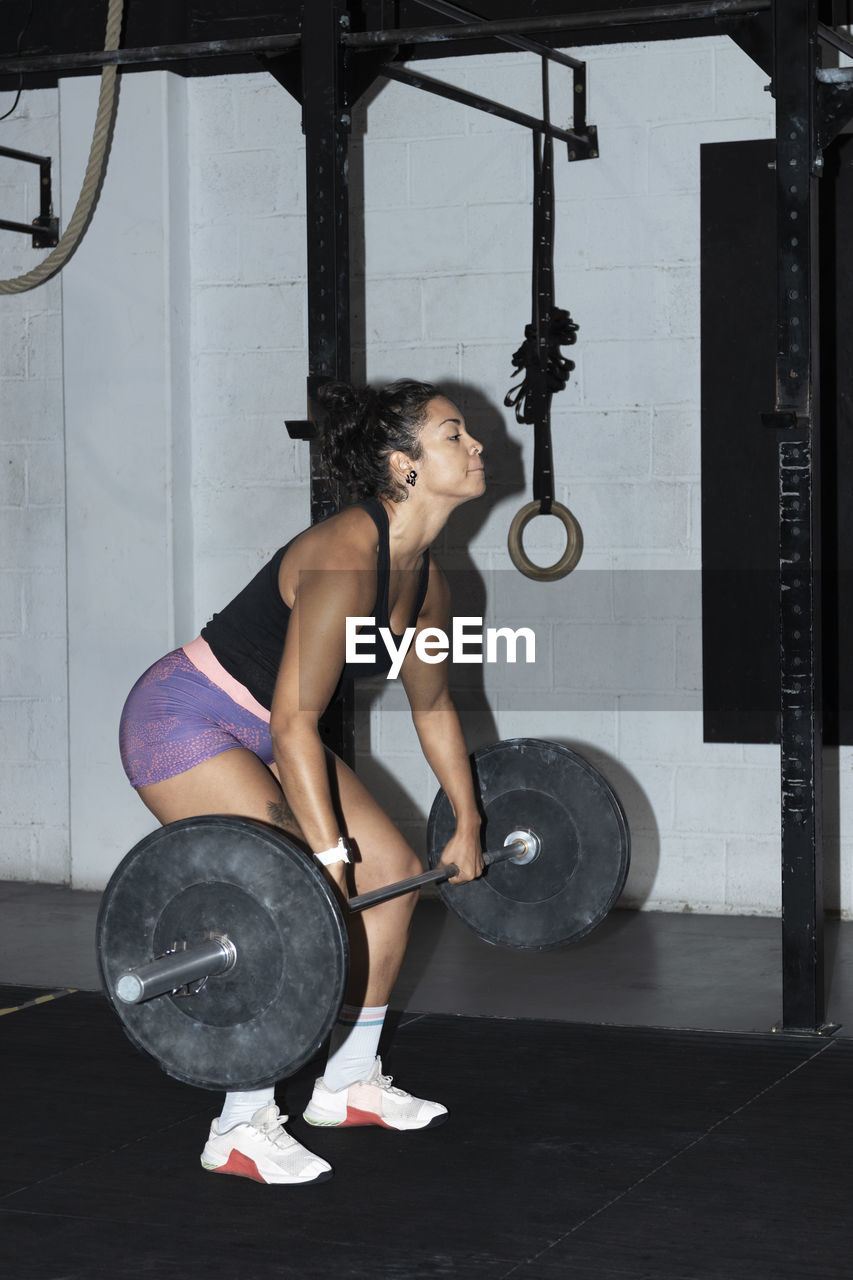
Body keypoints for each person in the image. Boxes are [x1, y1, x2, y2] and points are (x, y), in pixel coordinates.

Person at [118, 379, 488, 1186]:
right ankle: (240, 1124)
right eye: (454, 435)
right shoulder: (341, 553)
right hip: (186, 719)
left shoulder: (430, 584)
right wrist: (320, 856)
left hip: (271, 729)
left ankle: (349, 1079)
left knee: (390, 876)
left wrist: (466, 821)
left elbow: (433, 711)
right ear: (404, 465)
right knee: (286, 896)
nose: (476, 447)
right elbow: (294, 722)